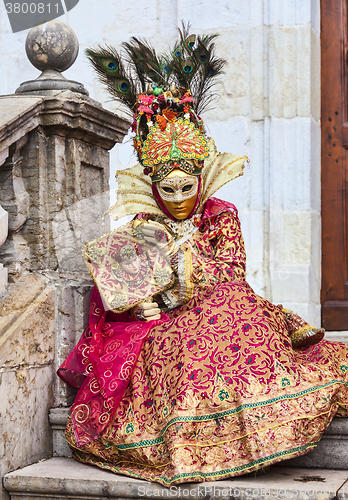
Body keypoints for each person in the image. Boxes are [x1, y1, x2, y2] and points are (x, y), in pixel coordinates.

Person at [58, 27, 348, 486]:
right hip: (168, 325)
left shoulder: (220, 216)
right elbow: (123, 293)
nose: (176, 199)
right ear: (151, 187)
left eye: (185, 188)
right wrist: (139, 303)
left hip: (222, 307)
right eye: (166, 189)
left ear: (202, 180)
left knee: (233, 326)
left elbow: (232, 274)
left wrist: (186, 253)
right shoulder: (139, 227)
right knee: (173, 352)